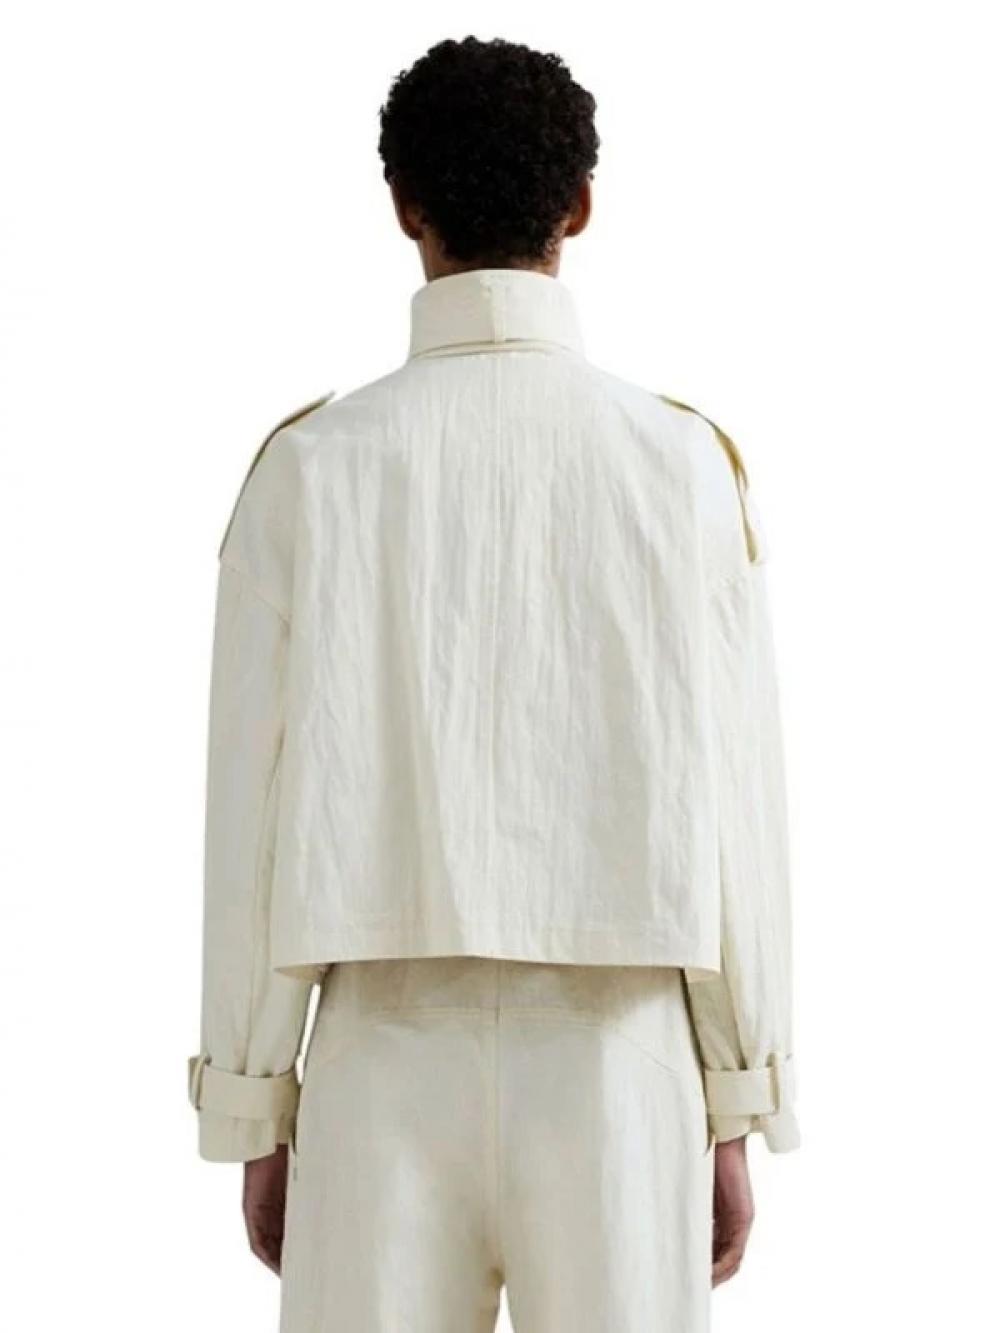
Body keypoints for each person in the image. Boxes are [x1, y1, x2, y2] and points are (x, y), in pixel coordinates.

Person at [186, 33, 800, 1332]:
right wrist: (737, 1093)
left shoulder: (311, 470)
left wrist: (255, 1097)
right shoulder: (682, 468)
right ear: (580, 206)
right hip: (623, 1053)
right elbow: (736, 812)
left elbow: (251, 815)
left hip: (380, 1052)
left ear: (403, 206)